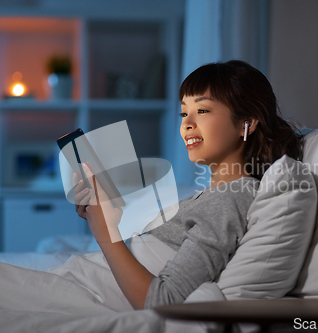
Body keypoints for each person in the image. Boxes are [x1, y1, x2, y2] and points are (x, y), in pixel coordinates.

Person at [70, 60, 302, 310]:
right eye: (184, 112)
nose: (186, 123)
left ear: (247, 122)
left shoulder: (230, 198)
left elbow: (162, 301)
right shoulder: (216, 194)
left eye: (202, 111)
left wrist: (106, 235)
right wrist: (105, 217)